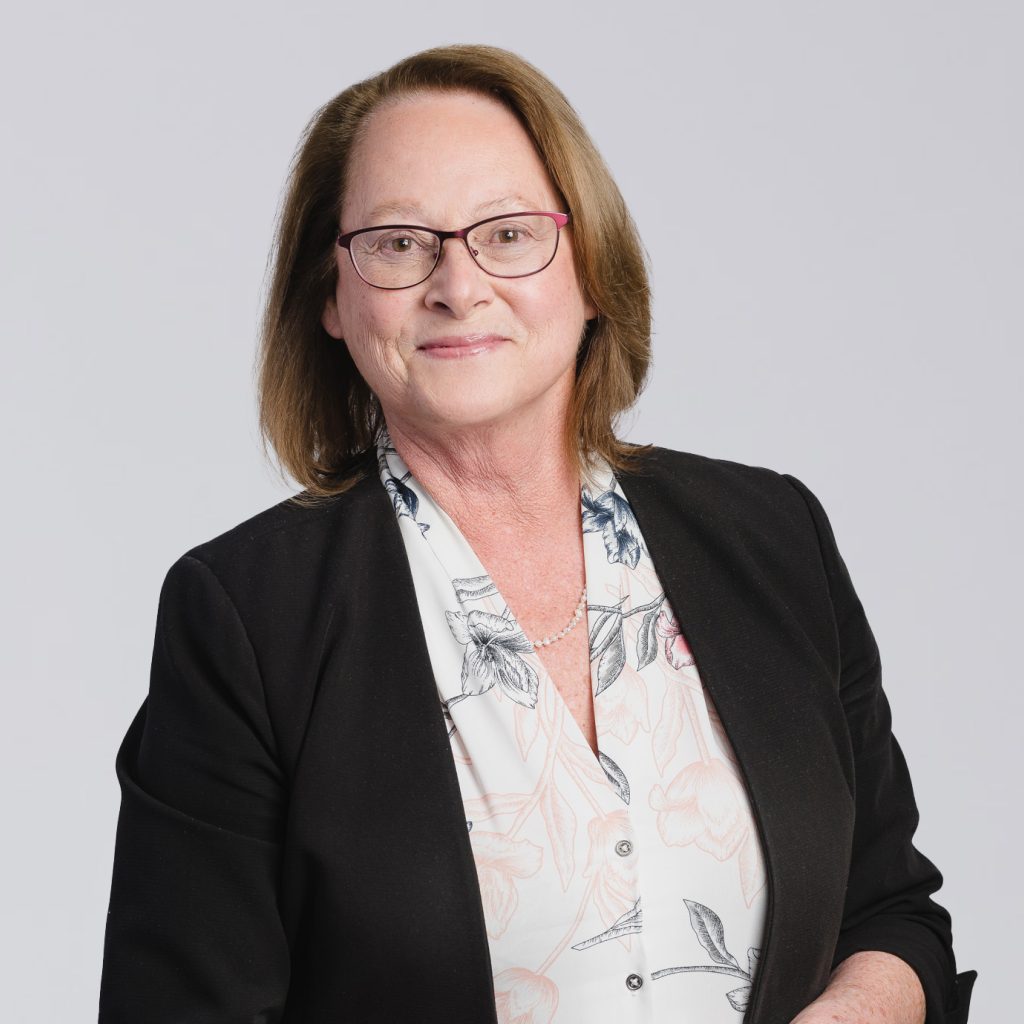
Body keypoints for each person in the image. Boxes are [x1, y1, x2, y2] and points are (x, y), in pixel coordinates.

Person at [98, 44, 975, 1024]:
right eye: (397, 243)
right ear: (330, 298)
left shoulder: (774, 538)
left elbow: (891, 912)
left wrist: (855, 1012)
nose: (458, 284)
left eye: (509, 233)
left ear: (591, 271)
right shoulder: (246, 617)